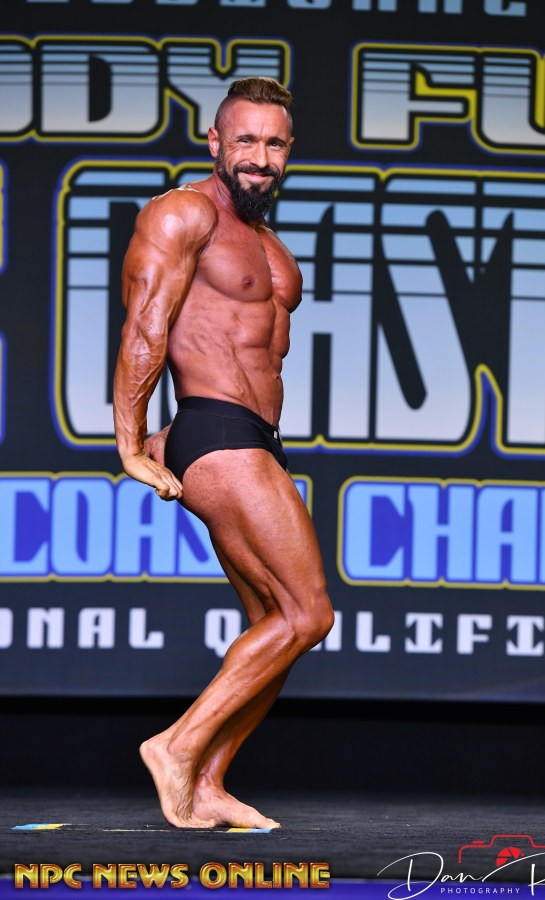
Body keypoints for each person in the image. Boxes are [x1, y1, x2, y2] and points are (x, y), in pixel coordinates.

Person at [112, 77, 334, 830]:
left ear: (288, 151)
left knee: (274, 621)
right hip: (215, 429)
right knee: (308, 614)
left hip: (253, 437)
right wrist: (130, 440)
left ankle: (207, 782)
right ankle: (176, 748)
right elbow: (147, 325)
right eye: (245, 140)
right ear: (214, 141)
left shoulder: (268, 244)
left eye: (274, 144)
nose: (259, 157)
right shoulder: (184, 214)